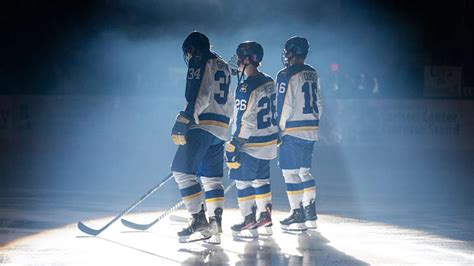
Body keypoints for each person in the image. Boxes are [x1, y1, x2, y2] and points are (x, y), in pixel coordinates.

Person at [170, 31, 233, 243]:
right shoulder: (223, 64)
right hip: (221, 128)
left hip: (203, 124)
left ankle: (198, 219)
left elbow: (199, 92)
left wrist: (186, 118)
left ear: (192, 49)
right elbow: (229, 100)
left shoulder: (200, 58)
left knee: (181, 170)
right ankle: (215, 226)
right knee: (212, 179)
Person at [225, 41, 278, 238]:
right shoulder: (269, 81)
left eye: (239, 57)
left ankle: (248, 217)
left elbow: (244, 119)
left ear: (247, 59)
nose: (237, 61)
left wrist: (235, 142)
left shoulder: (245, 87)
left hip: (251, 143)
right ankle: (265, 215)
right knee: (262, 180)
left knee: (243, 182)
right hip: (269, 141)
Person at [276, 36, 322, 231]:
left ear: (292, 52)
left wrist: (278, 128)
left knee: (290, 173)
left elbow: (284, 103)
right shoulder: (313, 73)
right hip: (310, 128)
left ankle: (297, 213)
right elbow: (319, 103)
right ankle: (310, 211)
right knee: (304, 171)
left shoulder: (286, 73)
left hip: (293, 129)